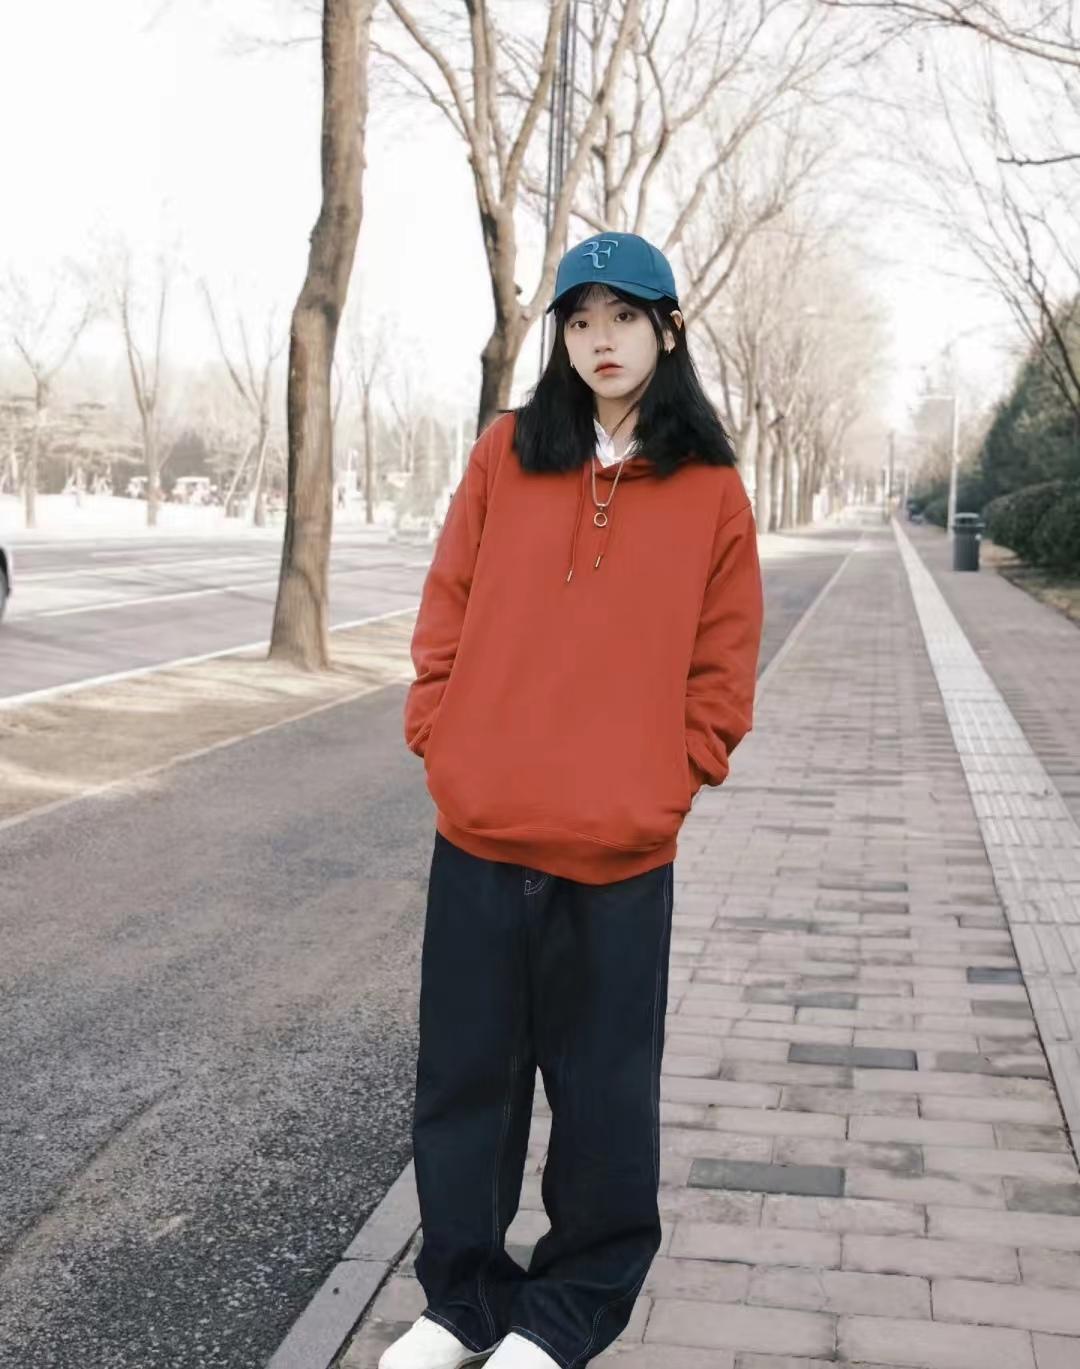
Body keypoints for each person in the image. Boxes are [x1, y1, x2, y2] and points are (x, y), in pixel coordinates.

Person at [386, 232, 764, 1369]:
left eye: (624, 317)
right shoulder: (507, 453)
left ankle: (568, 1311)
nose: (602, 340)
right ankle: (462, 1301)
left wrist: (674, 773)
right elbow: (447, 601)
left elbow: (724, 661)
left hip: (619, 846)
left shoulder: (710, 487)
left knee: (604, 1097)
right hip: (482, 827)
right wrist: (441, 733)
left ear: (668, 330)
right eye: (582, 319)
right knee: (468, 1080)